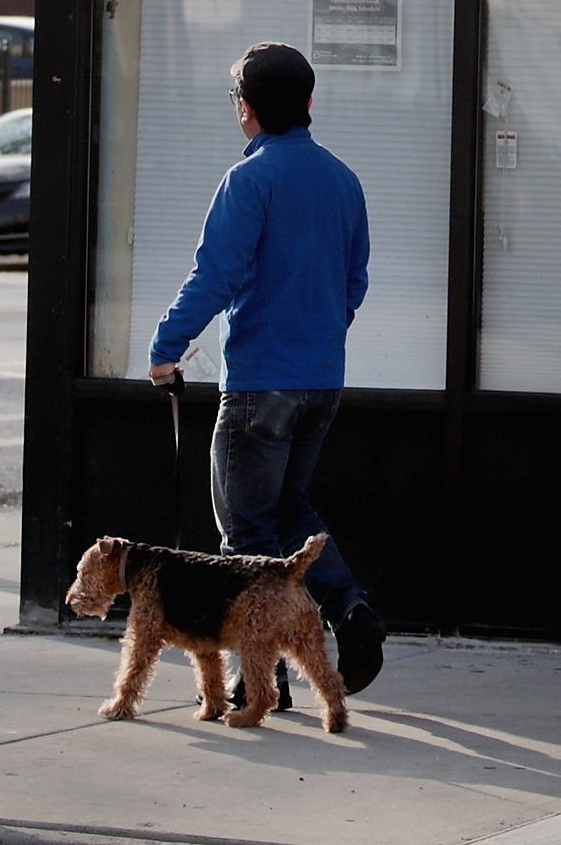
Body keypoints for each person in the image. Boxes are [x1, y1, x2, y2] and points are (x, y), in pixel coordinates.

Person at [150, 42, 386, 695]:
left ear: (245, 109)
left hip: (259, 383)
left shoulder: (249, 180)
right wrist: (320, 334)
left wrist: (166, 347)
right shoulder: (342, 180)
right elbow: (355, 279)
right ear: (308, 102)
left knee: (246, 533)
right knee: (286, 510)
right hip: (321, 380)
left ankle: (258, 680)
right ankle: (351, 610)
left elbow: (215, 276)